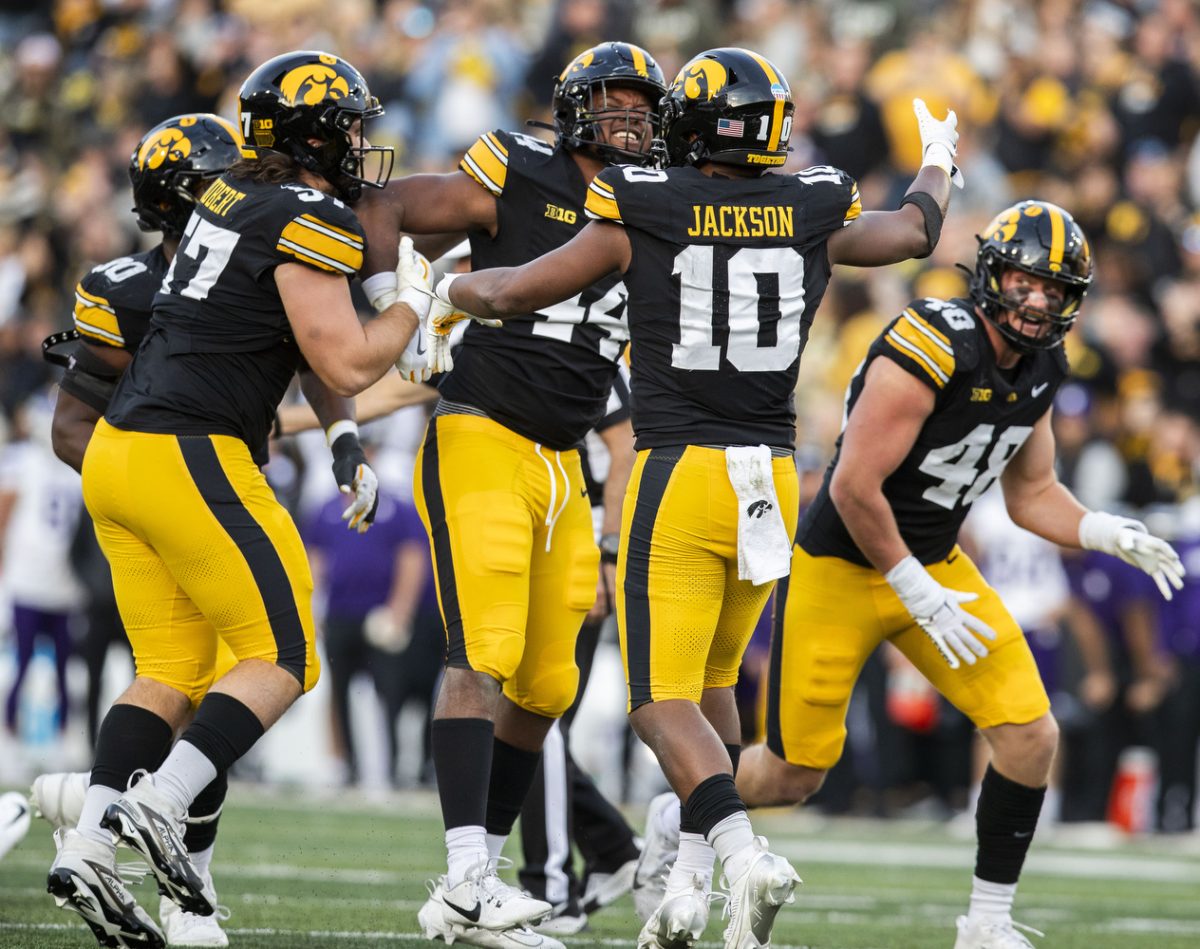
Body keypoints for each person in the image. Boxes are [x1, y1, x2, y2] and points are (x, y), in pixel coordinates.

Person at [425, 45, 959, 949]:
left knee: (654, 698)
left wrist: (445, 292)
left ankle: (740, 850)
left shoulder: (648, 203)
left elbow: (518, 288)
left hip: (682, 470)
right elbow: (914, 231)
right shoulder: (811, 203)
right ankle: (688, 884)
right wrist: (939, 161)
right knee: (715, 683)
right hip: (775, 477)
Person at [720, 200, 1183, 948]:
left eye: (1053, 288)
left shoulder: (1043, 367)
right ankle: (687, 819)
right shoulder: (931, 344)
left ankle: (987, 922)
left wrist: (1102, 529)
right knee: (791, 772)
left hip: (935, 560)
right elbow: (852, 486)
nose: (1037, 300)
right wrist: (910, 584)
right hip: (846, 563)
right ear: (991, 275)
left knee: (1031, 733)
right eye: (1025, 282)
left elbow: (1032, 494)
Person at [45, 50, 426, 949]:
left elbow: (296, 349)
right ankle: (163, 806)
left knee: (171, 669)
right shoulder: (305, 213)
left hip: (119, 456)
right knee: (286, 652)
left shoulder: (227, 202)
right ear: (313, 137)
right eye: (350, 126)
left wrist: (340, 437)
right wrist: (413, 302)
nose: (361, 144)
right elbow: (343, 359)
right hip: (193, 449)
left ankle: (95, 842)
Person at [355, 41, 667, 949]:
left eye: (641, 106)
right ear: (571, 109)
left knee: (546, 682)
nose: (628, 118)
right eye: (609, 102)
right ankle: (462, 876)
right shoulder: (519, 169)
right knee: (481, 656)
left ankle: (478, 888)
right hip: (483, 431)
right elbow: (385, 201)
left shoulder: (655, 200)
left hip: (565, 458)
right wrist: (388, 291)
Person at [37, 111, 242, 947]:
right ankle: (182, 886)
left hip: (229, 480)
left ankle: (88, 815)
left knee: (198, 684)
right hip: (171, 503)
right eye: (228, 179)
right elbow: (71, 428)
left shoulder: (252, 265)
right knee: (246, 669)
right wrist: (157, 496)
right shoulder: (130, 286)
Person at [517, 367, 642, 934]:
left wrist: (606, 552)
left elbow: (625, 445)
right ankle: (614, 850)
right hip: (532, 542)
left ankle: (551, 886)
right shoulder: (491, 331)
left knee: (536, 716)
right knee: (516, 718)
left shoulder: (584, 347)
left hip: (575, 544)